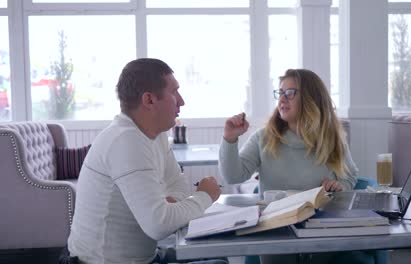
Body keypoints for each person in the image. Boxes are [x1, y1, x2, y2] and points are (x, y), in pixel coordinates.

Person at [67, 58, 225, 264]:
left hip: (147, 258)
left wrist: (169, 208)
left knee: (216, 255)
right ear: (149, 100)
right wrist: (206, 195)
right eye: (174, 92)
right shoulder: (125, 140)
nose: (181, 101)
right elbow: (159, 225)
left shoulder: (155, 135)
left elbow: (179, 187)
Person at [219, 69, 376, 264]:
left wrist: (339, 186)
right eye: (280, 93)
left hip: (322, 231)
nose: (282, 99)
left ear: (311, 98)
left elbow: (350, 176)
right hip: (276, 233)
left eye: (290, 93)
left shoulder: (331, 139)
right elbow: (232, 176)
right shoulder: (263, 138)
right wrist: (230, 138)